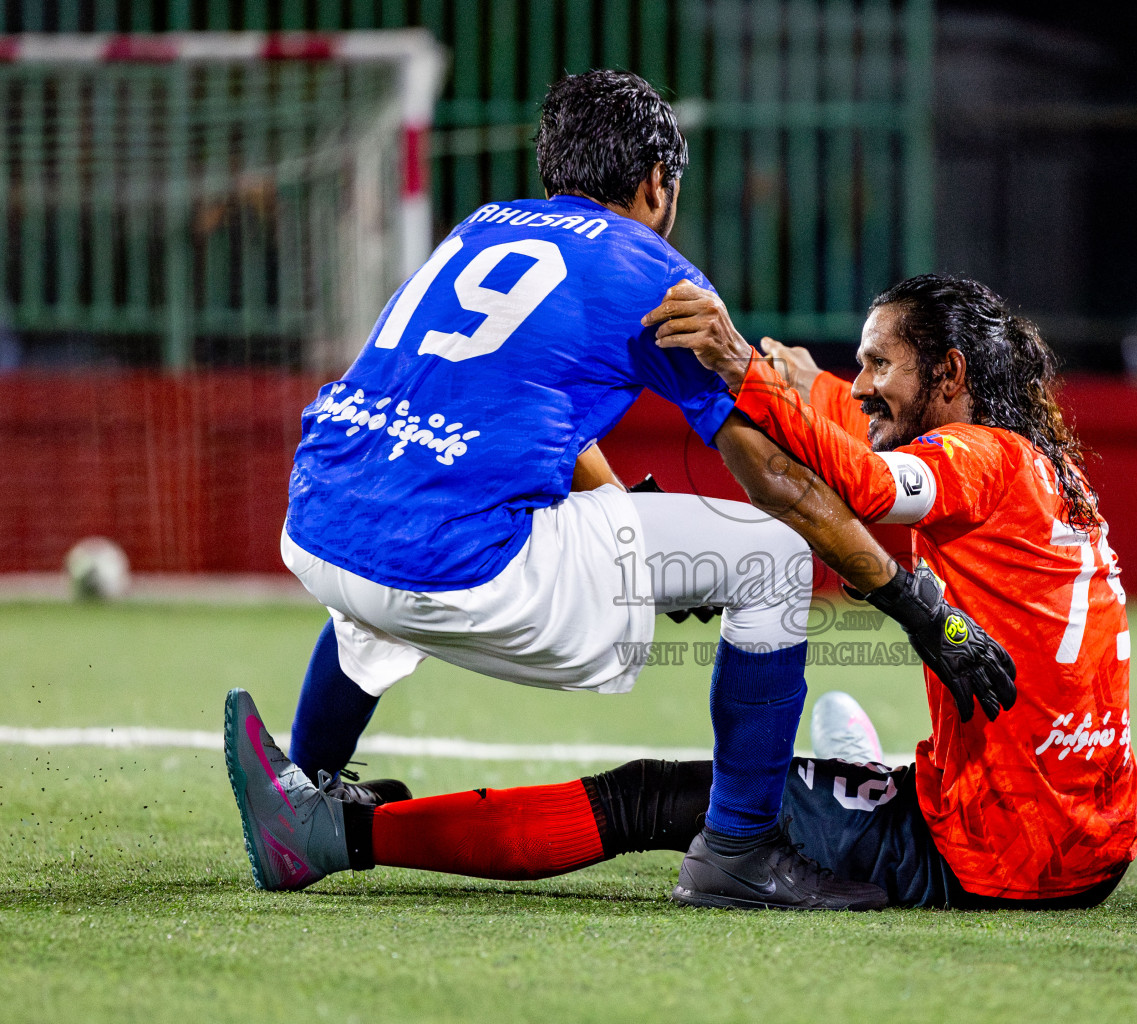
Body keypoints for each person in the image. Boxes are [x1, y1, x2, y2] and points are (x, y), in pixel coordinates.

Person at [228, 70, 1013, 912]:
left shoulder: (480, 228)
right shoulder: (656, 277)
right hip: (462, 572)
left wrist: (630, 524)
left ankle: (304, 790)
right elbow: (780, 483)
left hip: (320, 525)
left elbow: (526, 420)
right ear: (655, 184)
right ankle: (741, 851)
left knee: (402, 522)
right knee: (773, 558)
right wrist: (916, 605)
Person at [228, 273, 1135, 909]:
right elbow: (844, 420)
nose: (859, 384)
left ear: (951, 376)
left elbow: (864, 482)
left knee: (652, 798)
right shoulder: (1047, 474)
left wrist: (743, 371)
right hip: (1095, 842)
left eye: (878, 366)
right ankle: (864, 770)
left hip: (999, 853)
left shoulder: (975, 459)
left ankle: (332, 838)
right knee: (839, 757)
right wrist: (798, 382)